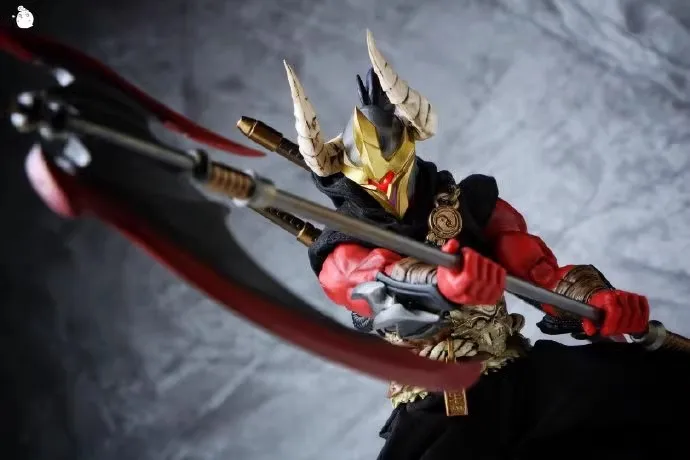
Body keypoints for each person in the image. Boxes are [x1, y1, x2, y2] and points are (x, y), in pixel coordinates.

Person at [280, 31, 690, 459]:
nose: (386, 187)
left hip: (514, 369)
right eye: (372, 180)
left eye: (391, 171)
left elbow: (536, 269)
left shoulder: (467, 205)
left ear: (409, 152)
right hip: (438, 399)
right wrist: (438, 284)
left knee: (649, 385)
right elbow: (373, 284)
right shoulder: (343, 246)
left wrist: (595, 299)